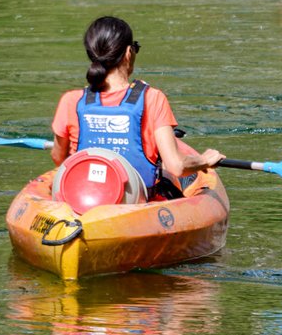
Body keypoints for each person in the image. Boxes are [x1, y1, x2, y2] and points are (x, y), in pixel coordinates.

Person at [51, 16, 223, 198]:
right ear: (128, 52)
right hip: (135, 203)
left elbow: (59, 158)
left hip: (82, 200)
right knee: (166, 180)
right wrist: (205, 160)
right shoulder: (153, 98)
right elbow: (177, 167)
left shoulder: (71, 100)